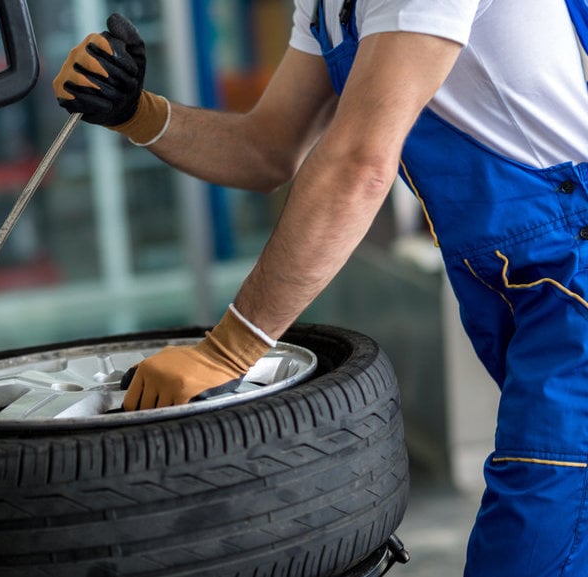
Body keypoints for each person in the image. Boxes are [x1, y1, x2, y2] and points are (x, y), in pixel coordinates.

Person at [53, 1, 588, 575]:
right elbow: (266, 149)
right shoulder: (324, 6)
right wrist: (137, 112)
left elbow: (360, 162)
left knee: (531, 534)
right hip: (509, 281)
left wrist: (228, 350)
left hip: (570, 272)